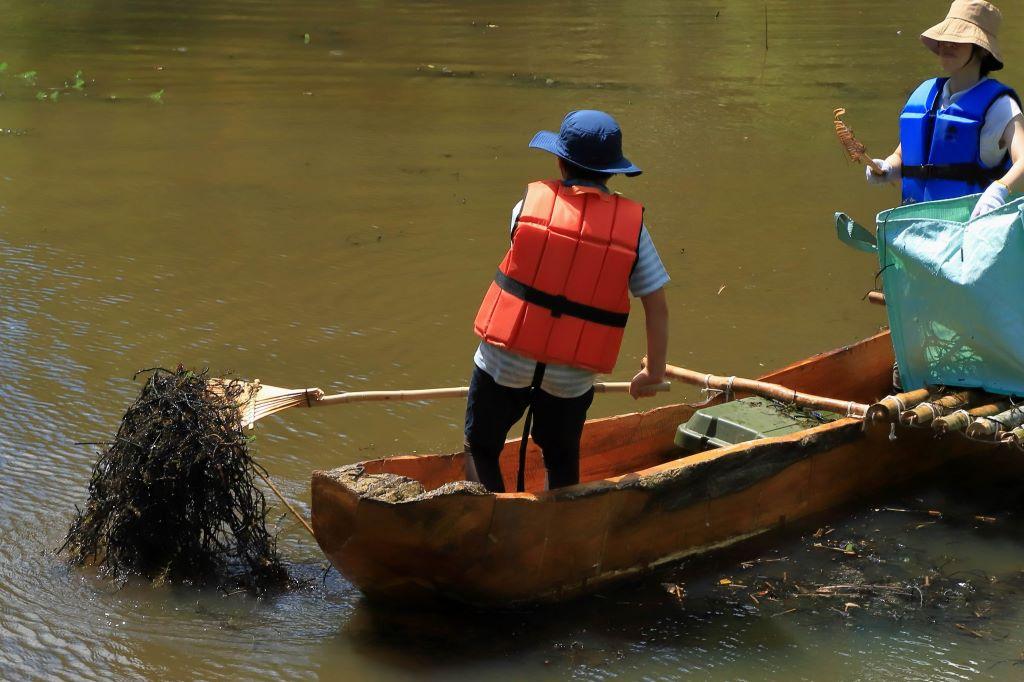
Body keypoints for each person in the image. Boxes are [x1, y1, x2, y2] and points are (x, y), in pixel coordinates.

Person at [466, 110, 670, 493]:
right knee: (560, 456)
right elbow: (656, 306)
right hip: (570, 376)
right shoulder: (633, 229)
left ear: (560, 161)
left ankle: (490, 519)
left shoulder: (526, 206)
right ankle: (559, 528)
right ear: (613, 171)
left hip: (505, 360)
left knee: (481, 446)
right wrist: (653, 373)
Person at [866, 0, 1024, 219]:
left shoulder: (1000, 106)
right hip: (916, 230)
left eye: (959, 39)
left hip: (972, 231)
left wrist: (999, 190)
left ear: (981, 50)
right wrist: (887, 168)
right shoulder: (927, 96)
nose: (947, 44)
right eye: (946, 38)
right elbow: (901, 155)